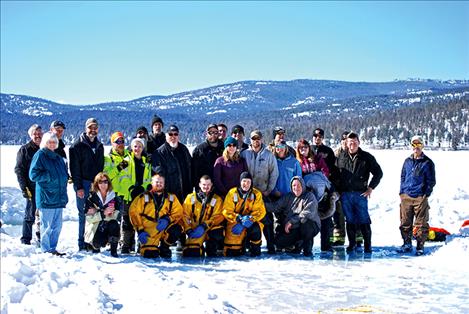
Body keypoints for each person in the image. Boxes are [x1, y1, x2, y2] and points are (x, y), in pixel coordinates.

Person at [335, 132, 383, 254]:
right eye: (350, 143)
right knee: (350, 220)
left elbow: (378, 173)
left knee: (363, 220)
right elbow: (335, 175)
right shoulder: (341, 157)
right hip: (345, 194)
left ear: (359, 143)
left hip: (360, 194)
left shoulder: (366, 157)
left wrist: (371, 187)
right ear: (346, 143)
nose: (352, 145)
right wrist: (338, 190)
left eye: (355, 142)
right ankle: (351, 245)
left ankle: (367, 246)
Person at [29, 132, 68, 255]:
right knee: (46, 227)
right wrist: (49, 176)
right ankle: (46, 249)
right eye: (49, 142)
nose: (52, 144)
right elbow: (33, 174)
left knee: (57, 226)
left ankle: (53, 248)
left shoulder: (58, 158)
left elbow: (63, 173)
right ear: (44, 143)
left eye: (54, 142)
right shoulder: (40, 155)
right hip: (46, 197)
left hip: (59, 197)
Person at [69, 118, 105, 251]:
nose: (93, 130)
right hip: (82, 183)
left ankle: (92, 242)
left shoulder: (99, 146)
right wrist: (78, 187)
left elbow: (100, 167)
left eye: (95, 128)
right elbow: (74, 169)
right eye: (90, 127)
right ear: (86, 128)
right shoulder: (76, 146)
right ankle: (81, 242)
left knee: (95, 213)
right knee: (83, 213)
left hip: (96, 184)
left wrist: (100, 184)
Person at [129, 173, 184, 258]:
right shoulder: (143, 197)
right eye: (157, 182)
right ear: (152, 183)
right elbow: (134, 213)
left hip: (163, 229)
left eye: (161, 182)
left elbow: (178, 212)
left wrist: (168, 219)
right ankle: (146, 245)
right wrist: (140, 230)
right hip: (148, 232)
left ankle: (164, 247)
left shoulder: (171, 198)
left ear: (164, 184)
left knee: (177, 229)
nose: (159, 184)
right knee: (150, 254)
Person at [241, 130, 279, 254]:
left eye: (258, 138)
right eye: (253, 139)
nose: (256, 141)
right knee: (248, 219)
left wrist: (269, 190)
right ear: (250, 140)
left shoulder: (269, 155)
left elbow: (274, 174)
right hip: (248, 194)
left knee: (267, 219)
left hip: (263, 193)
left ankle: (271, 244)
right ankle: (247, 243)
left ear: (261, 139)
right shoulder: (244, 154)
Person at [398, 135, 436, 256]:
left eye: (418, 145)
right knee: (405, 222)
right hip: (406, 196)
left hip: (420, 197)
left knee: (421, 223)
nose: (416, 147)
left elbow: (431, 181)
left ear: (422, 145)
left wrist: (425, 194)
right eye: (414, 145)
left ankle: (420, 245)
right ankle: (407, 243)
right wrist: (402, 192)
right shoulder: (407, 161)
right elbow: (403, 176)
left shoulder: (428, 163)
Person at [266, 176, 321, 257]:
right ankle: (298, 243)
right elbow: (275, 206)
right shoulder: (288, 196)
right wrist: (261, 204)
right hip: (294, 227)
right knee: (279, 242)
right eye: (294, 186)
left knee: (305, 225)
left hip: (310, 225)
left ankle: (307, 250)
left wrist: (291, 221)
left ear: (303, 185)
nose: (296, 188)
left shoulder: (309, 196)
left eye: (298, 185)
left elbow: (307, 213)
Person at [118, 137, 152, 253]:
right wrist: (130, 188)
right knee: (127, 221)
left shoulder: (146, 162)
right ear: (132, 148)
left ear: (143, 148)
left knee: (141, 220)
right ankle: (126, 245)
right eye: (135, 146)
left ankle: (141, 245)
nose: (137, 149)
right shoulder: (125, 160)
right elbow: (120, 176)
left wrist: (144, 187)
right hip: (129, 195)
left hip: (142, 196)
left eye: (140, 146)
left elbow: (149, 178)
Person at [222, 172, 266, 257]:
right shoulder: (232, 193)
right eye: (244, 181)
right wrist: (239, 218)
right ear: (240, 182)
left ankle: (255, 249)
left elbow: (260, 211)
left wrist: (250, 219)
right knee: (232, 253)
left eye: (249, 182)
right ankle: (240, 246)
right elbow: (226, 210)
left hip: (250, 222)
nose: (246, 184)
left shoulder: (256, 194)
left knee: (256, 229)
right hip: (234, 223)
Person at [182, 175, 225, 257]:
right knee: (191, 253)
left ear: (211, 185)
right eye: (204, 185)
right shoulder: (190, 197)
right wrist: (188, 229)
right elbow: (185, 215)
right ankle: (198, 246)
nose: (206, 187)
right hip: (195, 230)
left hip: (209, 228)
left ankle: (211, 246)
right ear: (199, 185)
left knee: (217, 233)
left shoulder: (217, 199)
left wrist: (205, 225)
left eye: (208, 185)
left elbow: (219, 216)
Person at [15, 124, 43, 245]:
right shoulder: (24, 150)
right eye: (35, 134)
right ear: (31, 135)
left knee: (43, 215)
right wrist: (24, 188)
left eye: (39, 133)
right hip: (31, 188)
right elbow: (19, 169)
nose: (37, 136)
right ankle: (26, 239)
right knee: (30, 215)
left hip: (44, 188)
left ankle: (42, 237)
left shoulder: (44, 148)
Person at [84, 172, 122, 257]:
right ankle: (94, 247)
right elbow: (89, 219)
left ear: (109, 183)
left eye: (105, 181)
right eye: (100, 182)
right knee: (96, 244)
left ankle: (114, 251)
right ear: (96, 184)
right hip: (95, 229)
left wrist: (98, 212)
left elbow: (116, 216)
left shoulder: (114, 197)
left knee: (114, 224)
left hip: (108, 227)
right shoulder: (91, 198)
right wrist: (103, 213)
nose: (103, 184)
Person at [151, 125, 192, 202]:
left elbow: (190, 168)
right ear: (166, 136)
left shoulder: (184, 149)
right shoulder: (159, 153)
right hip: (169, 196)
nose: (173, 137)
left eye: (175, 134)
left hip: (185, 194)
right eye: (170, 134)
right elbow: (158, 175)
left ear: (178, 136)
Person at [331, 131, 350, 246]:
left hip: (352, 190)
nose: (344, 142)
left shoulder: (356, 153)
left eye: (346, 140)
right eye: (343, 140)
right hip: (338, 189)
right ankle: (339, 238)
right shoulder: (335, 154)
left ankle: (357, 239)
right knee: (338, 214)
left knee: (353, 215)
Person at [191, 123, 224, 188]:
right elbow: (194, 172)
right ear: (206, 134)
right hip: (205, 187)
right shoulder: (200, 150)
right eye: (210, 133)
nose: (213, 135)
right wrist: (198, 187)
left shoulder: (224, 147)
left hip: (221, 186)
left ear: (218, 133)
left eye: (215, 132)